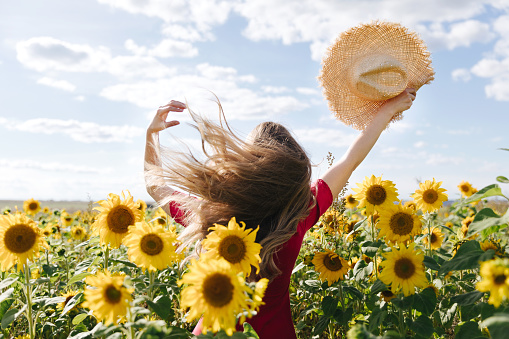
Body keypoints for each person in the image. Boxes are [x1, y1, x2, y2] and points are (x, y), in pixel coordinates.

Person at [144, 88, 416, 338]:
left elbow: (155, 185)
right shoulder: (301, 212)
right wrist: (387, 111)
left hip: (216, 331)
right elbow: (350, 160)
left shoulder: (215, 213)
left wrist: (151, 135)